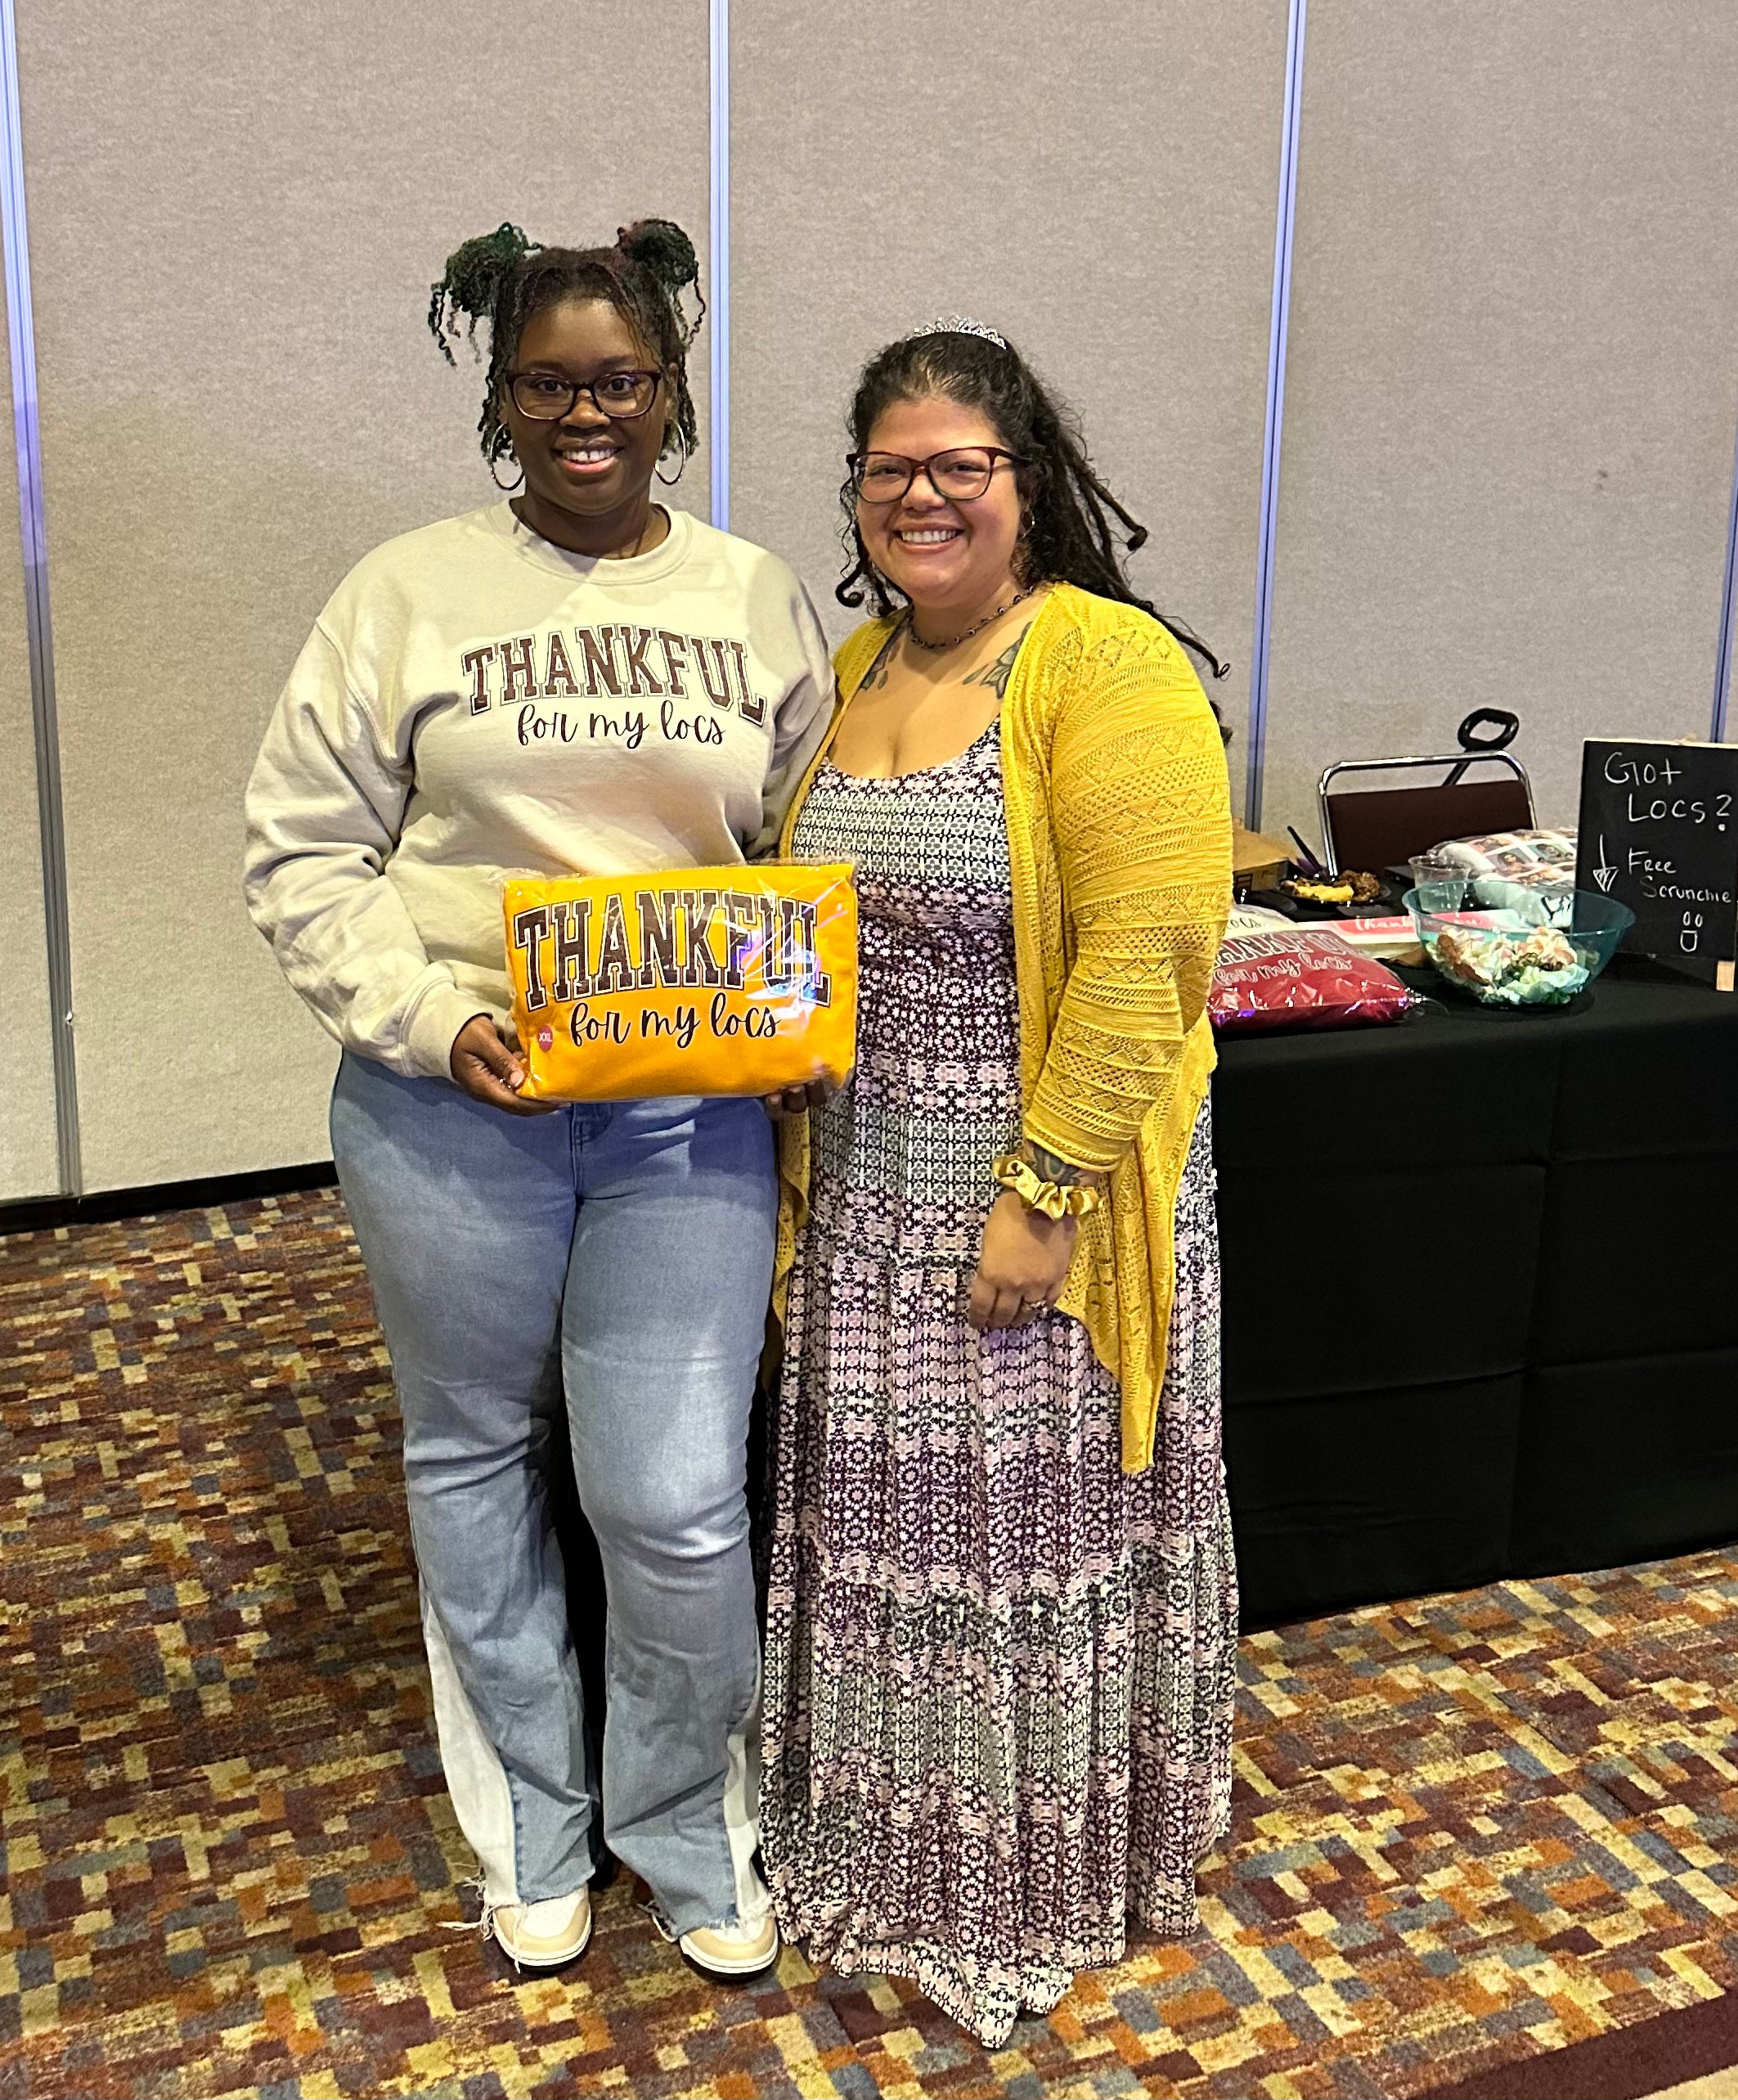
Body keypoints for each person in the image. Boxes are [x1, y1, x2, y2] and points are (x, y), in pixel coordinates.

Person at [243, 220, 833, 1982]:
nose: (590, 412)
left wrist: (806, 1006)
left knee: (671, 1497)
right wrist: (427, 1020)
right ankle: (534, 1823)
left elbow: (807, 845)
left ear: (671, 393)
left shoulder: (752, 595)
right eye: (550, 383)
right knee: (477, 1458)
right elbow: (300, 849)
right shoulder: (403, 591)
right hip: (450, 1111)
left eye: (623, 381)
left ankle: (681, 1822)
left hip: (682, 1117)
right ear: (502, 401)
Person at [759, 318, 1237, 2045]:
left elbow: (1148, 950)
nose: (924, 495)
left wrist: (1041, 1195)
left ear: (1027, 485)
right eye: (893, 470)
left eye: (963, 464)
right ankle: (882, 1850)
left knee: (1012, 1547)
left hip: (1042, 1193)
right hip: (871, 1188)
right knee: (892, 1533)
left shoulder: (1103, 666)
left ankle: (1021, 1879)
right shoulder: (856, 668)